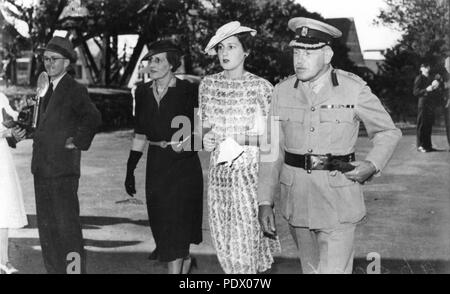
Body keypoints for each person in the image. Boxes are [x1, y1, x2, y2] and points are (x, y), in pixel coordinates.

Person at [257, 17, 402, 274]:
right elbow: (271, 151)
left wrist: (372, 164)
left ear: (327, 54)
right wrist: (265, 201)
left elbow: (387, 131)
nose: (299, 60)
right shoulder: (282, 92)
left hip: (338, 199)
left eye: (308, 53)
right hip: (297, 201)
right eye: (296, 52)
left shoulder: (353, 89)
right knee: (309, 270)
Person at [200, 21, 281, 274]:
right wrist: (205, 139)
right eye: (221, 47)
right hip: (218, 179)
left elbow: (273, 140)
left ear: (246, 52)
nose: (224, 53)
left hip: (249, 179)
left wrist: (241, 138)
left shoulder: (262, 88)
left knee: (245, 252)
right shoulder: (207, 85)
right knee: (225, 249)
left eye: (232, 47)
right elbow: (203, 128)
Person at [124, 40, 203, 274]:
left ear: (172, 64)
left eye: (158, 60)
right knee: (160, 223)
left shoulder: (188, 90)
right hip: (157, 164)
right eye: (150, 60)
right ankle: (184, 260)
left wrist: (187, 146)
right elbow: (140, 133)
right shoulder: (142, 92)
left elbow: (200, 129)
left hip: (183, 166)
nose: (152, 64)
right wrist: (130, 169)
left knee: (177, 222)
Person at [31, 36, 101, 274]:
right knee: (47, 230)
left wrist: (77, 141)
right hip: (41, 168)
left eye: (54, 59)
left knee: (67, 229)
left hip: (62, 171)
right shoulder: (43, 87)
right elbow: (38, 124)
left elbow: (92, 117)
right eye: (45, 59)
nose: (48, 64)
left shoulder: (74, 88)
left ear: (67, 63)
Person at [0, 92, 27, 274]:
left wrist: (25, 114)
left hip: (1, 157)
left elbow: (13, 117)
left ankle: (3, 259)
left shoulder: (0, 95)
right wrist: (5, 132)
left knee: (4, 209)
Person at [413, 63, 441, 152]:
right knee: (421, 125)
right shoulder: (419, 78)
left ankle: (428, 145)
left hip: (430, 104)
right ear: (421, 68)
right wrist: (426, 90)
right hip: (423, 104)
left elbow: (433, 90)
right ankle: (420, 146)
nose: (428, 68)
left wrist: (435, 87)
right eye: (425, 67)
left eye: (428, 66)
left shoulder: (430, 78)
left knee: (428, 125)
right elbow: (415, 92)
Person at [443, 57, 450, 150]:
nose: (445, 66)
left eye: (447, 64)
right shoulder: (445, 76)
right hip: (447, 105)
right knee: (448, 125)